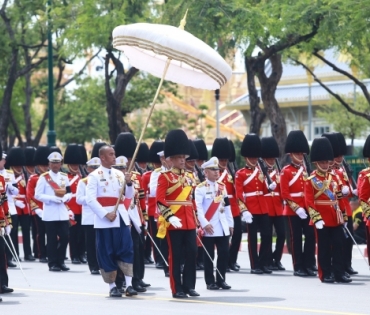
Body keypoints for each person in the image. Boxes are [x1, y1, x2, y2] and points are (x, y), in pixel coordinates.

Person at [86, 145, 137, 298]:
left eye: (114, 154)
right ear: (102, 157)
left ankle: (129, 285)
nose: (114, 157)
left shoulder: (120, 174)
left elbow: (128, 195)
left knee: (127, 249)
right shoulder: (94, 175)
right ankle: (112, 286)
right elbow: (90, 199)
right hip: (105, 220)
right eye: (111, 154)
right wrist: (104, 214)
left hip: (120, 216)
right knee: (106, 251)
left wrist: (129, 183)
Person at [156, 129, 198, 299]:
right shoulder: (164, 177)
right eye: (179, 157)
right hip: (174, 221)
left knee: (192, 253)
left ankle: (189, 286)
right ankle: (176, 288)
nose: (182, 160)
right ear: (171, 159)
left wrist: (197, 219)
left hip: (189, 220)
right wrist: (170, 216)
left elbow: (192, 200)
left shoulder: (190, 177)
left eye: (183, 157)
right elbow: (160, 200)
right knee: (176, 256)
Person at [304, 137, 351, 283]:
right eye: (322, 162)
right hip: (322, 218)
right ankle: (325, 273)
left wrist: (344, 216)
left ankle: (338, 272)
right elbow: (309, 202)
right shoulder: (311, 180)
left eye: (326, 162)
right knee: (324, 248)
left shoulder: (334, 178)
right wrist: (316, 218)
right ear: (316, 163)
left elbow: (338, 199)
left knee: (338, 245)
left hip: (335, 217)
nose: (325, 164)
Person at [235, 134, 274, 274]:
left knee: (267, 235)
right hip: (250, 208)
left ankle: (264, 263)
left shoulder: (260, 172)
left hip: (262, 207)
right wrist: (244, 210)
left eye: (255, 157)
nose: (254, 160)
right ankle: (255, 264)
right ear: (246, 158)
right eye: (251, 158)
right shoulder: (240, 174)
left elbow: (262, 190)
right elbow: (239, 194)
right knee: (252, 238)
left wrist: (270, 187)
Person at [280, 130, 316, 277]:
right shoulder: (285, 171)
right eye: (298, 154)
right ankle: (298, 266)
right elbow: (285, 193)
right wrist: (296, 208)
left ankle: (309, 264)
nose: (301, 156)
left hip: (307, 208)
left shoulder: (307, 170)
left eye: (302, 154)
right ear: (291, 154)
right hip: (292, 210)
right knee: (295, 239)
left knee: (310, 237)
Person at [195, 156, 233, 290]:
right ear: (205, 172)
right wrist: (204, 224)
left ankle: (221, 279)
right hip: (209, 227)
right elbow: (198, 208)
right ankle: (210, 281)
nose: (217, 172)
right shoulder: (200, 188)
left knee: (224, 253)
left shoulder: (222, 187)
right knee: (209, 255)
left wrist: (230, 223)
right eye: (213, 169)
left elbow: (227, 207)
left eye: (217, 169)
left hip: (222, 226)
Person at [323, 132, 358, 275]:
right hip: (334, 210)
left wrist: (351, 191)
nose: (340, 158)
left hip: (345, 208)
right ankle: (334, 267)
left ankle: (346, 265)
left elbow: (347, 191)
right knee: (336, 242)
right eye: (337, 156)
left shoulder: (341, 171)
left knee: (348, 239)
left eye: (340, 156)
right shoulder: (327, 172)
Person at [35, 151, 73, 272]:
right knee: (51, 239)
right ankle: (52, 263)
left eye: (57, 163)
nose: (56, 165)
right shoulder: (44, 178)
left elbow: (69, 192)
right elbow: (37, 195)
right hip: (50, 213)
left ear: (61, 163)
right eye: (53, 163)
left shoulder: (64, 176)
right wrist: (52, 199)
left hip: (62, 213)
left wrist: (65, 198)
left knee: (64, 237)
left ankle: (61, 261)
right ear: (49, 164)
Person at [211, 138, 241, 272]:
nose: (224, 163)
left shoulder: (231, 173)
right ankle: (224, 262)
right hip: (220, 208)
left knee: (237, 236)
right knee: (223, 239)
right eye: (221, 161)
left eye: (225, 160)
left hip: (234, 208)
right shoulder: (214, 174)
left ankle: (232, 260)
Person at [260, 137, 286, 271]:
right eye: (269, 159)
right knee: (267, 236)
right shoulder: (260, 173)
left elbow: (282, 190)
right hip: (266, 208)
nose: (271, 161)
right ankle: (267, 259)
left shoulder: (278, 173)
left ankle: (277, 258)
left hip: (278, 208)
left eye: (273, 159)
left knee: (282, 234)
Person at [6, 147, 35, 262]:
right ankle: (15, 254)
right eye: (16, 166)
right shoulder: (9, 175)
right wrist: (15, 201)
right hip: (14, 206)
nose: (19, 167)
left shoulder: (25, 176)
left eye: (20, 165)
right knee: (13, 232)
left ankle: (28, 253)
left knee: (26, 230)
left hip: (24, 207)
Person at [76, 157, 101, 275]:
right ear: (88, 169)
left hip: (101, 216)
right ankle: (93, 266)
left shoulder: (102, 180)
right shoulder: (83, 182)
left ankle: (102, 264)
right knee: (91, 244)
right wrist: (91, 199)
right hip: (89, 217)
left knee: (101, 243)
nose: (95, 170)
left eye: (97, 167)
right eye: (93, 168)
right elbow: (79, 199)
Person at [142, 140, 165, 268]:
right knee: (156, 236)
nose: (158, 164)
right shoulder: (148, 176)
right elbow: (145, 194)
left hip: (164, 208)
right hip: (152, 209)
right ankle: (158, 259)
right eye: (156, 162)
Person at [149, 149, 171, 276]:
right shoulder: (156, 173)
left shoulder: (177, 173)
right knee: (164, 239)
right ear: (162, 160)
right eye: (165, 158)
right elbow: (152, 191)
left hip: (176, 209)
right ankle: (165, 265)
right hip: (163, 210)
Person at [26, 146, 49, 263]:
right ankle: (41, 254)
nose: (45, 167)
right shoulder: (33, 179)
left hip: (50, 209)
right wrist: (37, 210)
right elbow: (30, 196)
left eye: (46, 165)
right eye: (43, 165)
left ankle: (50, 252)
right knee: (40, 233)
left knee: (52, 233)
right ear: (38, 166)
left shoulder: (51, 178)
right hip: (39, 210)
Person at [64, 144, 86, 264]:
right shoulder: (65, 177)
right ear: (68, 165)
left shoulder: (83, 176)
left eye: (76, 164)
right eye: (73, 165)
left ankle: (81, 253)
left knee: (82, 234)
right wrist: (68, 209)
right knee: (73, 234)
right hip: (72, 208)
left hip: (82, 208)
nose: (75, 166)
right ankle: (74, 255)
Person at [0, 142, 14, 297]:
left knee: (1, 254)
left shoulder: (2, 180)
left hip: (0, 223)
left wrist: (8, 221)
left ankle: (2, 284)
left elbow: (3, 202)